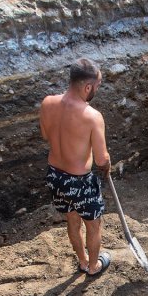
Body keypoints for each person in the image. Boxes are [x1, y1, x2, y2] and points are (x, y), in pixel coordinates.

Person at [39, 57, 112, 276]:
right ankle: (93, 266)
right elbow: (101, 160)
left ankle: (82, 260)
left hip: (55, 176)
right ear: (87, 86)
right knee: (93, 224)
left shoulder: (47, 103)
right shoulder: (92, 116)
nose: (96, 91)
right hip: (79, 181)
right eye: (97, 87)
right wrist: (107, 164)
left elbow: (45, 136)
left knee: (71, 218)